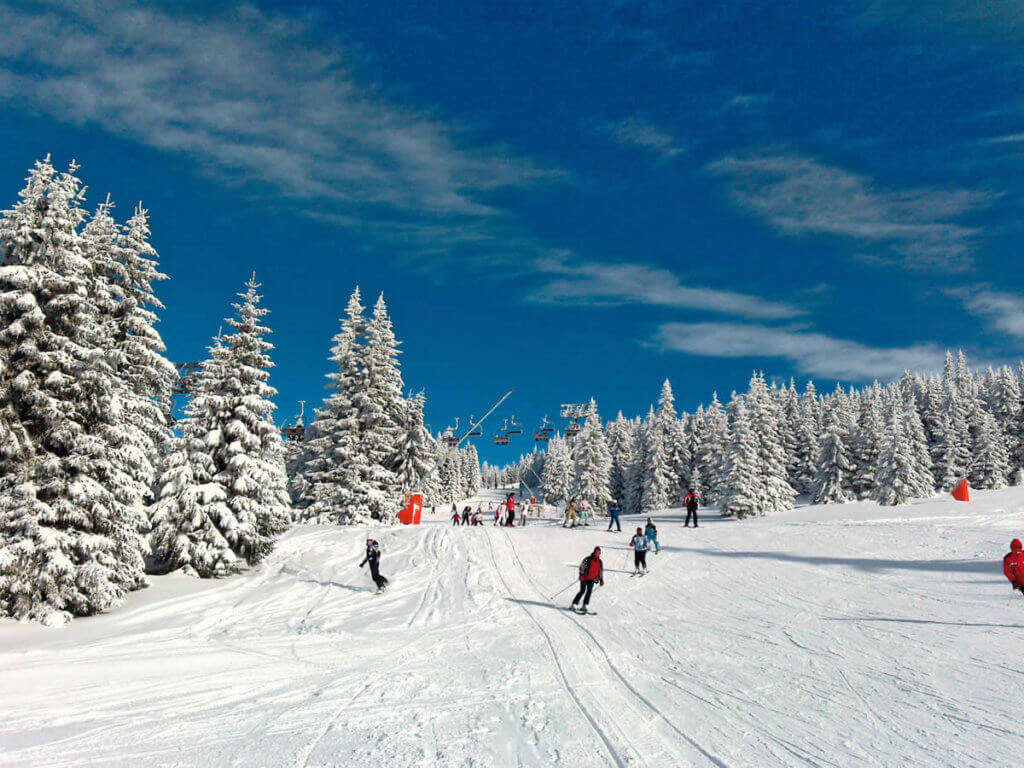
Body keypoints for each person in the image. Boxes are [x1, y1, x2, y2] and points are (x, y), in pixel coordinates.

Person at [570, 546, 604, 613]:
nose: (597, 553)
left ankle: (585, 605)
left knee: (589, 592)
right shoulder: (588, 559)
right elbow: (582, 567)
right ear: (594, 552)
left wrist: (601, 580)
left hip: (592, 579)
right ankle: (574, 603)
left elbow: (600, 571)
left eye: (598, 552)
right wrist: (581, 575)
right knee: (582, 591)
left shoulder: (600, 562)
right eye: (596, 552)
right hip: (584, 578)